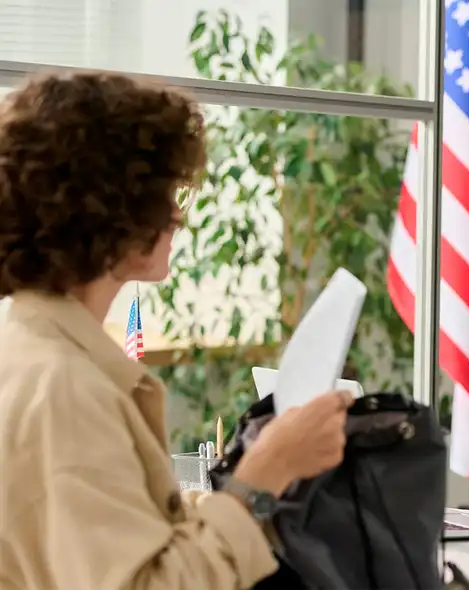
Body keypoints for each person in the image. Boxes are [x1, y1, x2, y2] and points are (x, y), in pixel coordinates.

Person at [0, 71, 353, 589]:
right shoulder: (66, 387)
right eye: (165, 191)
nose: (177, 215)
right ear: (113, 210)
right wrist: (265, 472)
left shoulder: (33, 353)